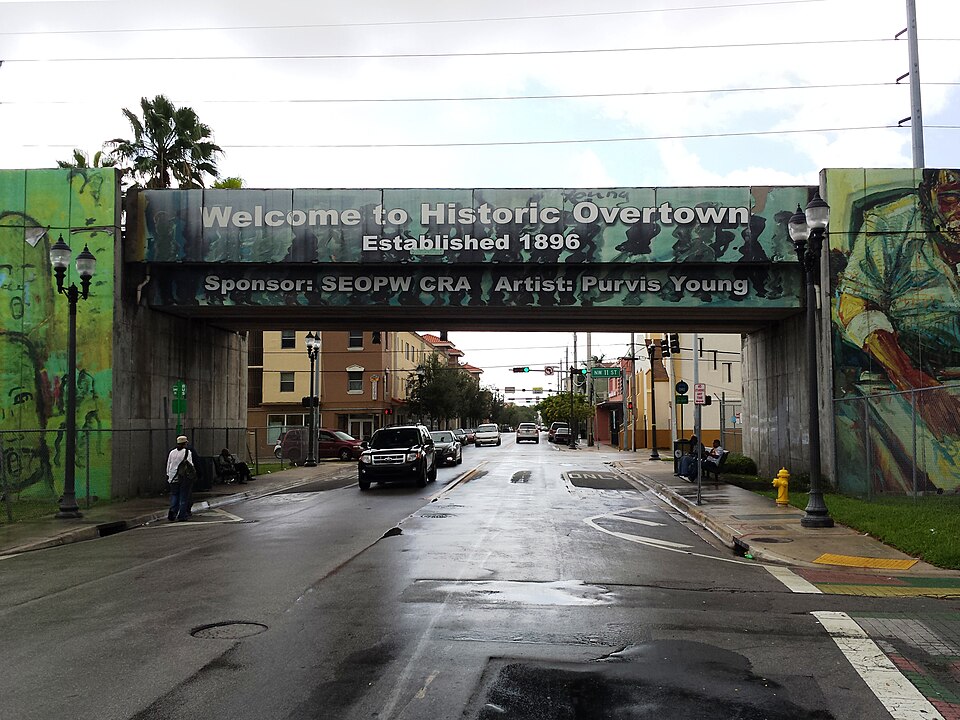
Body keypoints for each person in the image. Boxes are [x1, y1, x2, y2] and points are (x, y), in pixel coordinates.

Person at [836, 168, 960, 493]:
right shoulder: (890, 223)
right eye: (950, 197)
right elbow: (855, 303)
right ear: (927, 195)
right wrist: (910, 379)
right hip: (907, 379)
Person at [165, 435, 196, 521]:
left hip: (172, 477)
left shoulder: (172, 452)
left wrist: (169, 475)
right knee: (183, 496)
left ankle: (172, 512)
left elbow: (168, 464)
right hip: (183, 478)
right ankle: (182, 515)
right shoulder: (187, 452)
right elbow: (190, 465)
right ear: (185, 443)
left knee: (175, 495)